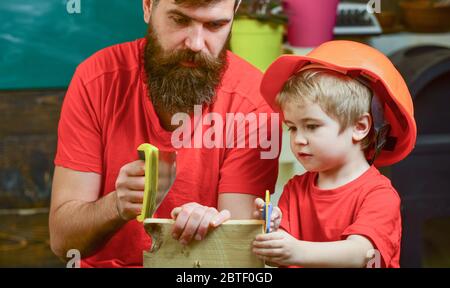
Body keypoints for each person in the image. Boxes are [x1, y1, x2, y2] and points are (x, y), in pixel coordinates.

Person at [49, 0, 279, 268]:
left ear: (234, 14)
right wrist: (116, 205)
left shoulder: (254, 103)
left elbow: (238, 261)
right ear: (147, 7)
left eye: (215, 25)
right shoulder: (96, 80)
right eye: (180, 20)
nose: (195, 43)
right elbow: (63, 243)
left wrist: (209, 227)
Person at [252, 40, 417, 268]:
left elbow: (362, 253)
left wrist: (297, 250)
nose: (298, 139)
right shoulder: (295, 190)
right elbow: (283, 253)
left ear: (360, 127)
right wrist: (272, 230)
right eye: (292, 127)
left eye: (311, 126)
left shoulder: (379, 195)